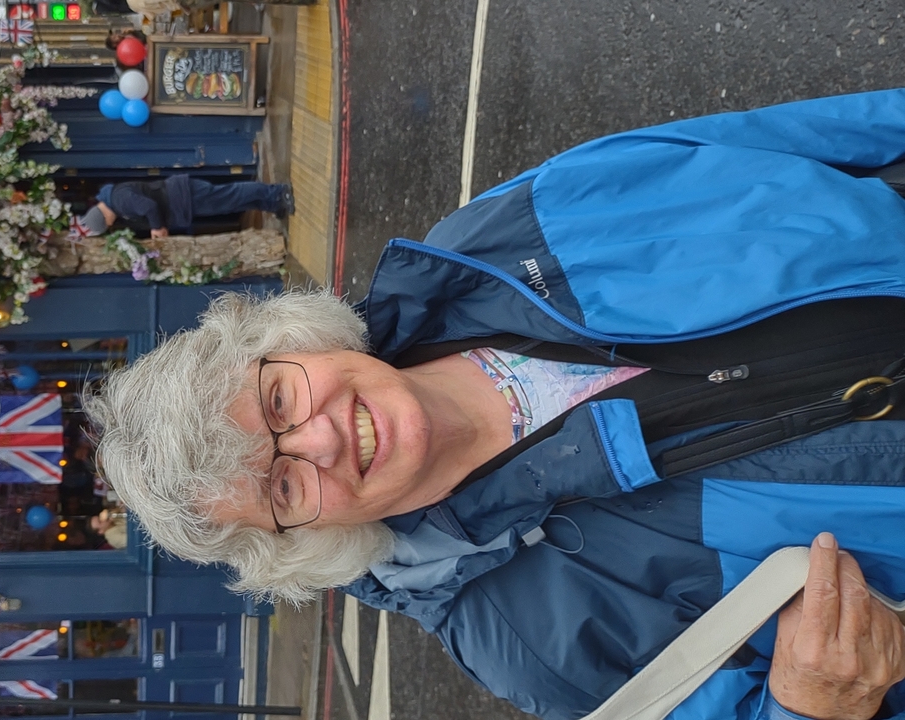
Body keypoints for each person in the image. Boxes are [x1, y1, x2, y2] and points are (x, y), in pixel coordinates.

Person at [85, 88, 905, 720]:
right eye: (284, 487)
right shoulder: (527, 643)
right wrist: (812, 704)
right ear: (303, 544)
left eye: (278, 401)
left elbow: (785, 138)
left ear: (296, 339)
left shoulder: (494, 240)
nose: (322, 439)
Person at [79, 175, 294, 238]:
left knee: (231, 195)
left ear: (103, 221)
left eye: (105, 227)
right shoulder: (117, 202)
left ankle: (277, 192)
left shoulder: (119, 200)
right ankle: (272, 203)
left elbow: (149, 207)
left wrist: (157, 228)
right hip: (182, 200)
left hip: (183, 197)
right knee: (231, 203)